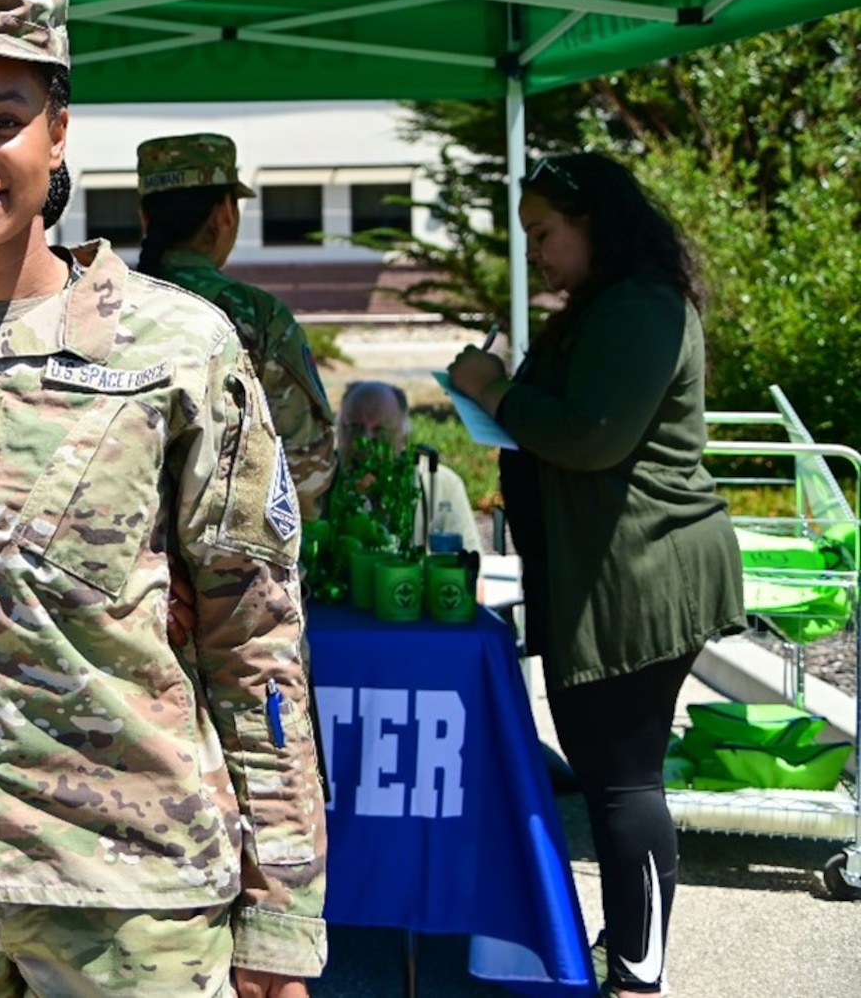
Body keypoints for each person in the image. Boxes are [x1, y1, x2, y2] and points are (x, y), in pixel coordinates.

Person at [0, 0, 326, 998]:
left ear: (56, 136)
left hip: (126, 892)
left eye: (0, 121)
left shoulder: (178, 347)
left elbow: (254, 634)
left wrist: (280, 910)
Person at [448, 152, 743, 998]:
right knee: (612, 775)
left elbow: (593, 436)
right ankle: (632, 939)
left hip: (641, 574)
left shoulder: (643, 306)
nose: (534, 252)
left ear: (592, 223)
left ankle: (639, 974)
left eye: (543, 233)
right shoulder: (604, 306)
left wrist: (495, 391)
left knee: (622, 782)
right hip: (606, 571)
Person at [133, 135, 337, 521]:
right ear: (225, 212)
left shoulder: (106, 305)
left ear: (144, 216)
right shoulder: (259, 317)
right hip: (230, 569)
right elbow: (307, 472)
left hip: (121, 563)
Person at [335, 381, 481, 552]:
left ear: (403, 435)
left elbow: (469, 564)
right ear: (338, 430)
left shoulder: (440, 484)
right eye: (354, 427)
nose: (366, 440)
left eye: (380, 430)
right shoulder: (317, 482)